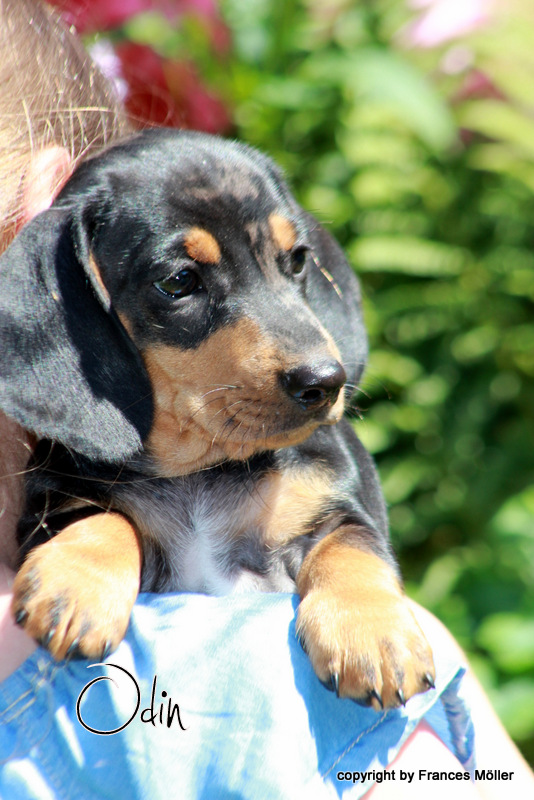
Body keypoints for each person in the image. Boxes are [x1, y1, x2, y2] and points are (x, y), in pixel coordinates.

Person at [0, 2, 533, 798]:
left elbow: (341, 530)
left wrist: (353, 585)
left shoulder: (302, 470)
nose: (312, 358)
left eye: (288, 265)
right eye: (182, 282)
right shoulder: (94, 485)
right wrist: (99, 543)